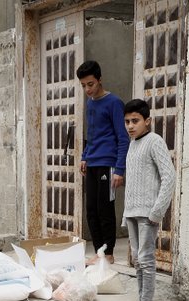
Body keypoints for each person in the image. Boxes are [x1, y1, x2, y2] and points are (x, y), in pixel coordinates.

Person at [116, 98, 175, 301]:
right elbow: (133, 183)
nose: (130, 126)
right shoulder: (133, 144)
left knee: (147, 261)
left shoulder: (154, 141)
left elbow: (169, 177)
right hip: (132, 212)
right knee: (138, 261)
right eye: (127, 122)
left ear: (147, 121)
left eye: (135, 121)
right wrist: (126, 213)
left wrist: (157, 211)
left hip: (148, 214)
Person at [76, 60, 130, 264]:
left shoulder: (114, 103)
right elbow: (92, 134)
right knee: (91, 210)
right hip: (92, 162)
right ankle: (99, 252)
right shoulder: (90, 103)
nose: (87, 89)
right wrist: (84, 156)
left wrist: (120, 169)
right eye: (83, 86)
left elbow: (123, 138)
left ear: (100, 79)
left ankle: (108, 254)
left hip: (108, 164)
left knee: (104, 209)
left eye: (90, 84)